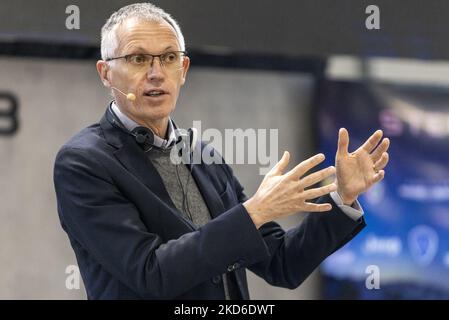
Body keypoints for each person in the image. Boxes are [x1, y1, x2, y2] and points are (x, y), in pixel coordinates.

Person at [53, 3, 390, 300]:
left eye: (169, 58)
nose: (156, 73)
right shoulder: (84, 162)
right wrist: (255, 211)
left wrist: (342, 200)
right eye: (138, 58)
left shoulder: (202, 155)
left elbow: (283, 263)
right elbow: (151, 273)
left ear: (182, 71)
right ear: (106, 73)